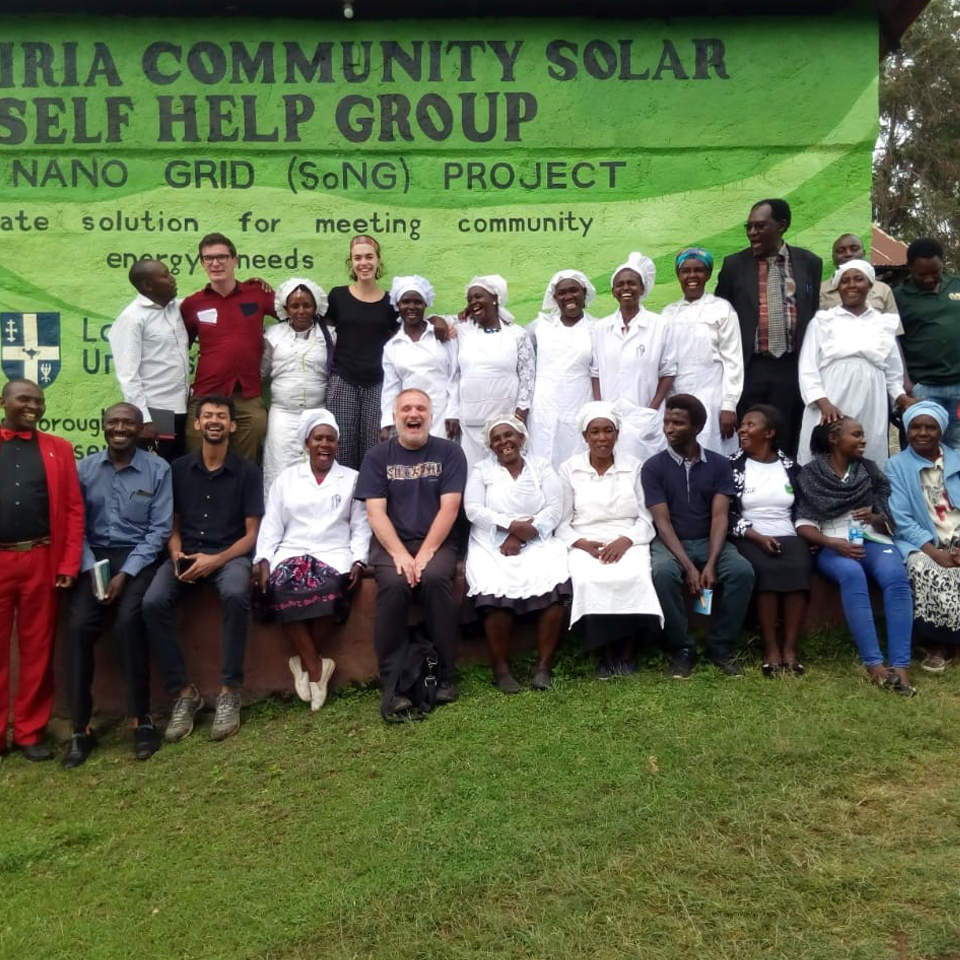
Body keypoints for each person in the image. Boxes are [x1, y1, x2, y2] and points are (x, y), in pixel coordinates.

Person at [142, 395, 264, 743]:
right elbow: (172, 524)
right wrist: (178, 554)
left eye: (221, 416)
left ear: (232, 425)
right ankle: (184, 694)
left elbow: (251, 535)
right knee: (152, 603)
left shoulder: (248, 472)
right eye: (207, 415)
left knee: (237, 592)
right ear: (197, 424)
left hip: (230, 555)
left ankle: (229, 691)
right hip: (186, 554)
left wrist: (216, 560)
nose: (214, 421)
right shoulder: (178, 469)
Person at [62, 404, 173, 768]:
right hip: (93, 557)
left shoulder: (158, 469)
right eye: (113, 422)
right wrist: (93, 569)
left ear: (141, 430)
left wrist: (126, 575)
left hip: (137, 558)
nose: (120, 428)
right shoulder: (85, 469)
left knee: (129, 621)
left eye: (128, 423)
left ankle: (140, 719)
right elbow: (75, 525)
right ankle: (81, 728)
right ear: (103, 427)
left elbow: (159, 530)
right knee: (78, 628)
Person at [355, 388, 467, 716]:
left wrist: (427, 552)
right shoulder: (377, 457)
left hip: (438, 540)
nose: (413, 414)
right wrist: (401, 555)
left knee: (434, 579)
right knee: (393, 585)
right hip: (393, 543)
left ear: (431, 416)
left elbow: (451, 507)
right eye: (406, 409)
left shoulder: (449, 453)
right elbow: (375, 513)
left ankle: (445, 675)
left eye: (420, 408)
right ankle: (392, 683)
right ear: (394, 417)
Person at [253, 409, 370, 711]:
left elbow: (360, 526)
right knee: (279, 588)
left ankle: (304, 659)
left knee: (332, 590)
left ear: (337, 445)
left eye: (331, 439)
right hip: (292, 550)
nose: (325, 445)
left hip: (334, 553)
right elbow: (272, 524)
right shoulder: (286, 479)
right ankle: (317, 668)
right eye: (318, 438)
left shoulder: (352, 480)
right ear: (307, 443)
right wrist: (263, 559)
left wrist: (359, 560)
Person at [795, 418, 915, 694]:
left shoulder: (869, 470)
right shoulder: (811, 475)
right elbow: (803, 523)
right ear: (835, 439)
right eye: (856, 435)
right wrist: (833, 543)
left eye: (863, 435)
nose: (863, 440)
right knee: (852, 574)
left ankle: (900, 666)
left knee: (896, 578)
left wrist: (875, 516)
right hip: (831, 543)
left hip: (870, 538)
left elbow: (887, 511)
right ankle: (874, 665)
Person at [643, 394, 755, 678]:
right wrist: (690, 567)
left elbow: (720, 518)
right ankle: (682, 649)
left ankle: (721, 647)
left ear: (697, 427)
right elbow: (662, 522)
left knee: (742, 572)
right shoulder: (654, 467)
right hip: (671, 543)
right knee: (664, 573)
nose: (668, 428)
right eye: (666, 422)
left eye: (677, 423)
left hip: (709, 541)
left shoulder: (719, 465)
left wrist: (711, 562)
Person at [0, 379, 83, 762]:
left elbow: (72, 510)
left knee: (37, 649)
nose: (32, 406)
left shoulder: (59, 450)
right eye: (24, 399)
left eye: (39, 401)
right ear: (4, 403)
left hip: (41, 559)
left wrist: (68, 563)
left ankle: (30, 732)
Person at [464, 415, 571, 692]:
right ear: (490, 446)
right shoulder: (481, 471)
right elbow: (473, 510)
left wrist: (522, 534)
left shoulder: (542, 467)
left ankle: (543, 667)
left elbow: (554, 508)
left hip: (537, 537)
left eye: (508, 435)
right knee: (495, 584)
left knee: (553, 576)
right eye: (496, 439)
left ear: (521, 438)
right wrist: (509, 526)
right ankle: (501, 670)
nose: (503, 442)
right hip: (492, 541)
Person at [557, 402, 663, 678]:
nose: (602, 438)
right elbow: (562, 520)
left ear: (617, 434)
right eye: (595, 432)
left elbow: (646, 517)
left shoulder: (635, 467)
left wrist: (626, 540)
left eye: (608, 431)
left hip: (629, 537)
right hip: (585, 539)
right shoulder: (569, 469)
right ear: (585, 436)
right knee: (589, 579)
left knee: (636, 576)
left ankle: (627, 653)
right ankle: (606, 654)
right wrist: (581, 543)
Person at [715, 198, 823, 457]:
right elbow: (721, 315)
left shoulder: (809, 263)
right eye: (749, 226)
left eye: (760, 226)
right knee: (747, 434)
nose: (752, 232)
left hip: (790, 365)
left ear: (782, 226)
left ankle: (785, 488)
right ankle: (745, 490)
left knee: (786, 432)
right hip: (750, 366)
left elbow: (812, 310)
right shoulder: (734, 265)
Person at [797, 259, 913, 466]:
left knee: (866, 450)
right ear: (838, 287)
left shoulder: (883, 323)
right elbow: (807, 368)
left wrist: (901, 398)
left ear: (869, 285)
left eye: (858, 279)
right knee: (827, 451)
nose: (851, 285)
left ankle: (865, 496)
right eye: (845, 281)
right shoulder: (823, 321)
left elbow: (893, 373)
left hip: (871, 399)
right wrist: (823, 403)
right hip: (831, 396)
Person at [728, 405, 811, 676]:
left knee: (799, 566)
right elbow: (725, 514)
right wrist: (757, 536)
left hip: (788, 532)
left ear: (770, 432)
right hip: (749, 534)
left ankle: (790, 648)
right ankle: (771, 647)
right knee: (765, 569)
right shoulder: (732, 466)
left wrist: (805, 533)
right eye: (742, 424)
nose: (742, 429)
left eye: (750, 425)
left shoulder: (790, 468)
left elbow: (804, 508)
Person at [180, 232, 276, 461]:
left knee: (245, 465)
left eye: (222, 257)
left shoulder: (258, 294)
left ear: (235, 260)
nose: (215, 263)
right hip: (206, 394)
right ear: (202, 263)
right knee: (197, 462)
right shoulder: (192, 304)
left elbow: (296, 314)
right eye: (208, 258)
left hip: (248, 396)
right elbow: (176, 346)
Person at [886, 401, 960, 673]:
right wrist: (935, 552)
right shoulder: (896, 465)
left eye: (930, 427)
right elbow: (901, 519)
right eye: (916, 427)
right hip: (923, 541)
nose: (922, 433)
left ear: (941, 430)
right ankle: (941, 644)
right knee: (928, 569)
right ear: (907, 430)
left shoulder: (957, 458)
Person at [592, 252, 677, 462]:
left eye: (632, 283)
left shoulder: (660, 325)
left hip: (645, 415)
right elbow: (595, 372)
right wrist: (601, 408)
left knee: (646, 470)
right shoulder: (601, 328)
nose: (626, 288)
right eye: (620, 284)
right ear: (613, 291)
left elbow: (668, 372)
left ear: (642, 288)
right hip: (611, 417)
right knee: (614, 470)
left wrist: (652, 409)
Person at [661, 247, 743, 455]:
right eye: (685, 271)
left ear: (707, 274)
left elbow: (733, 360)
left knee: (712, 453)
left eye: (698, 270)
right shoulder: (668, 314)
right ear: (678, 275)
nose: (692, 276)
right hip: (677, 396)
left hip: (713, 397)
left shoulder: (722, 309)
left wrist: (729, 405)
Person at [108, 258, 190, 461]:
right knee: (158, 470)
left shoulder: (175, 308)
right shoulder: (132, 319)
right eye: (165, 275)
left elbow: (205, 302)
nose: (172, 278)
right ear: (147, 286)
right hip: (157, 410)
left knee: (177, 470)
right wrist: (144, 419)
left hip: (183, 406)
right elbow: (128, 376)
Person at [260, 277, 335, 493]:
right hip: (283, 416)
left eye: (307, 305)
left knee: (315, 472)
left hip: (318, 415)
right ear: (285, 308)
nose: (301, 311)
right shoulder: (273, 335)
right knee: (279, 471)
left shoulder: (329, 336)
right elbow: (260, 371)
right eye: (295, 305)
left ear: (316, 307)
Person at [454, 275, 536, 469]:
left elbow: (527, 375)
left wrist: (520, 415)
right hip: (471, 423)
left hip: (506, 424)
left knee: (506, 475)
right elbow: (434, 321)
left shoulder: (517, 334)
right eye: (470, 299)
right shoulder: (463, 331)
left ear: (495, 298)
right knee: (473, 475)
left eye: (478, 296)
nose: (473, 302)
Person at [526, 269, 599, 469]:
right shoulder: (539, 326)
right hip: (543, 406)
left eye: (574, 290)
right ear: (555, 298)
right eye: (562, 293)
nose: (568, 297)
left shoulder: (597, 328)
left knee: (577, 461)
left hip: (580, 402)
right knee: (543, 459)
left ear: (585, 294)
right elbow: (517, 348)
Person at [895, 237, 960, 451]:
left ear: (942, 263)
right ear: (909, 267)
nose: (930, 279)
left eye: (935, 272)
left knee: (957, 444)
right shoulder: (898, 297)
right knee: (924, 448)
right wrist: (906, 383)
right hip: (924, 388)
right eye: (921, 274)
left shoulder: (957, 285)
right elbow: (894, 343)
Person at [380, 275, 460, 442]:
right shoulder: (392, 346)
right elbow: (391, 388)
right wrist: (387, 423)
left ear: (425, 304)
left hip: (442, 414)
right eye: (405, 302)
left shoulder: (441, 336)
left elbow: (454, 375)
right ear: (398, 305)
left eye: (417, 302)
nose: (411, 307)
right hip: (411, 417)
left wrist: (453, 412)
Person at [819, 233, 899, 313]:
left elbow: (894, 324)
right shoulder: (819, 291)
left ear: (863, 254)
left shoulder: (883, 290)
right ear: (833, 258)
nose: (848, 254)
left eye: (854, 249)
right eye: (841, 251)